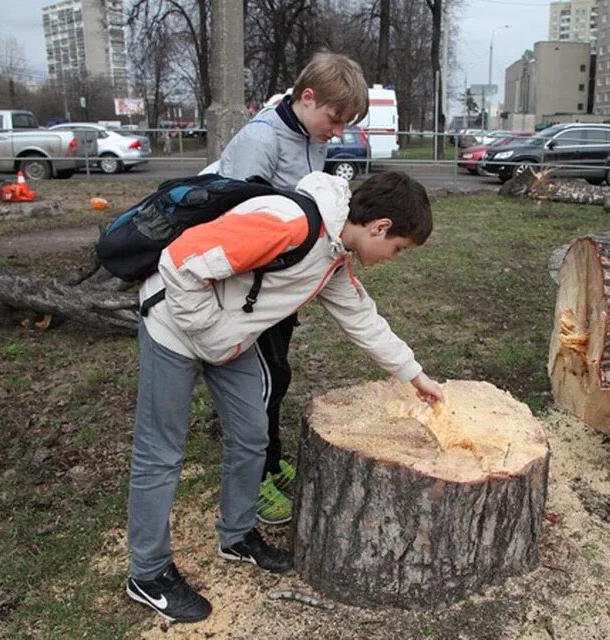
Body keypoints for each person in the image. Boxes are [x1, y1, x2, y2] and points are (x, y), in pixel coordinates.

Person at [125, 170, 443, 623]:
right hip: (175, 328)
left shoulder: (334, 253)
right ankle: (148, 573)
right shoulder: (290, 224)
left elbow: (361, 318)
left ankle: (236, 536)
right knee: (161, 452)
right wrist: (209, 334)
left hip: (226, 340)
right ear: (380, 227)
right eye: (399, 249)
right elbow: (181, 261)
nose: (395, 258)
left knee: (253, 435)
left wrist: (415, 375)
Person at [216, 53, 369, 526]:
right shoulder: (261, 139)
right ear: (307, 97)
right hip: (250, 291)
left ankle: (271, 458)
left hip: (282, 286)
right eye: (335, 119)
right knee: (262, 382)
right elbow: (234, 220)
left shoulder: (309, 134)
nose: (338, 132)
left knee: (278, 374)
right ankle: (254, 478)